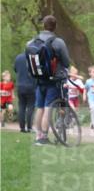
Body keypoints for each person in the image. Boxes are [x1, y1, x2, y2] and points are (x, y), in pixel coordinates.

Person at [29, 15, 73, 145]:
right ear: (55, 26)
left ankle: (38, 136)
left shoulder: (32, 41)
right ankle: (44, 137)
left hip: (39, 79)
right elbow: (65, 62)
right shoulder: (58, 42)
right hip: (53, 80)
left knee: (40, 107)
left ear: (43, 25)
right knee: (48, 107)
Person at [13, 52, 35, 133]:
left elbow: (15, 69)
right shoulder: (34, 57)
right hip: (31, 85)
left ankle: (22, 128)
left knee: (21, 106)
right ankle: (29, 127)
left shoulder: (18, 57)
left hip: (20, 85)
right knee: (30, 107)